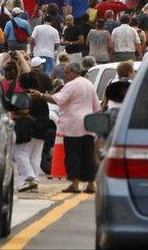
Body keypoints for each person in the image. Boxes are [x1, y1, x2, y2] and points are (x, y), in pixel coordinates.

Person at [27, 63, 101, 194]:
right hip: (88, 124)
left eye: (66, 73)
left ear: (73, 72)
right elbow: (97, 107)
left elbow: (58, 99)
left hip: (73, 125)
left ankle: (75, 184)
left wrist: (40, 95)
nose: (65, 76)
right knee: (88, 155)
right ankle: (91, 184)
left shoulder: (71, 85)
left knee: (73, 155)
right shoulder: (89, 84)